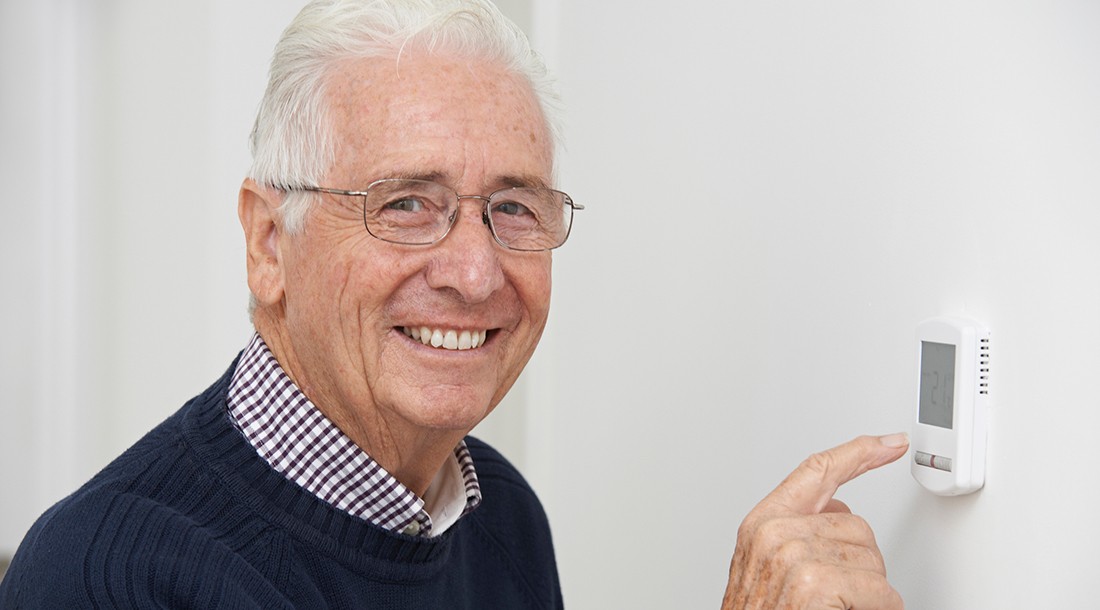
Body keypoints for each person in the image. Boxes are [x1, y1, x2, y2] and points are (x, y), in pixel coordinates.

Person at [0, 1, 909, 608]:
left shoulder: (503, 517)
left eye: (514, 207)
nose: (474, 272)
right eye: (405, 204)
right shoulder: (110, 577)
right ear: (269, 241)